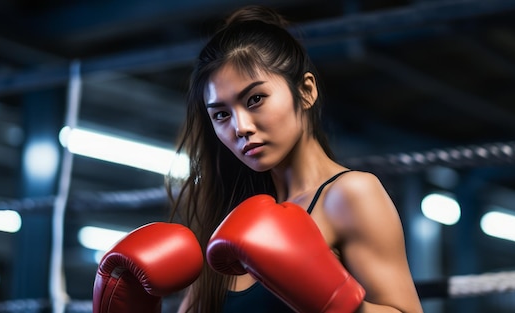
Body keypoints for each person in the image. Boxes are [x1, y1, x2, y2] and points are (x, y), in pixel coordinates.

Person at [168, 5, 423, 313]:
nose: (241, 127)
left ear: (305, 91)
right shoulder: (227, 218)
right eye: (221, 114)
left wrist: (338, 302)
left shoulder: (350, 195)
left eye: (255, 99)